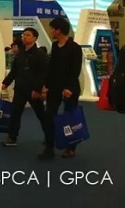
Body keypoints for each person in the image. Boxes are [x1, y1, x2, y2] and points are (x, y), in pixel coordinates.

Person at [39, 17, 83, 160]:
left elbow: (75, 69)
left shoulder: (74, 47)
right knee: (49, 116)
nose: (51, 31)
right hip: (54, 87)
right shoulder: (54, 46)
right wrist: (45, 86)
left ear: (59, 30)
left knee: (69, 118)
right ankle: (49, 148)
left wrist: (69, 88)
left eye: (53, 29)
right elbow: (51, 67)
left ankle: (70, 147)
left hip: (70, 88)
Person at [1, 27, 49, 147]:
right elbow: (14, 71)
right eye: (23, 35)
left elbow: (43, 74)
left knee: (41, 114)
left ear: (34, 38)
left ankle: (50, 136)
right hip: (20, 89)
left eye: (27, 35)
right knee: (15, 113)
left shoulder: (40, 55)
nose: (24, 37)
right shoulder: (20, 53)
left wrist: (37, 89)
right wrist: (6, 82)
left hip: (33, 90)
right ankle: (12, 137)